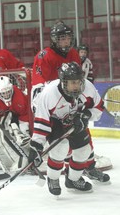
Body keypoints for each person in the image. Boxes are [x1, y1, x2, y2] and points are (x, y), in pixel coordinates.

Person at [31, 20, 111, 180]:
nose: (65, 42)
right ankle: (72, 173)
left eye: (67, 38)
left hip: (72, 99)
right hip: (53, 103)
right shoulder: (44, 56)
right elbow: (39, 85)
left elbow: (77, 78)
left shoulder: (73, 53)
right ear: (54, 40)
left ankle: (88, 166)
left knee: (82, 131)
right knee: (63, 142)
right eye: (62, 38)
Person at [28, 62, 105, 196]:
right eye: (72, 83)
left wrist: (86, 115)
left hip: (73, 118)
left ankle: (72, 180)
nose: (76, 86)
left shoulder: (88, 88)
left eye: (78, 82)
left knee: (84, 150)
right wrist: (36, 146)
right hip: (54, 120)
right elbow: (41, 123)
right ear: (64, 83)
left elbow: (98, 108)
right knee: (60, 148)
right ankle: (53, 178)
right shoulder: (49, 94)